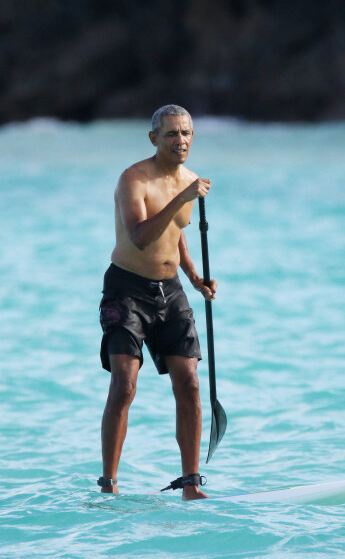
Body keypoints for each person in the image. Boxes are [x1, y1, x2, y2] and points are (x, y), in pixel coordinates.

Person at [98, 104, 217, 501]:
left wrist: (194, 277)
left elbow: (178, 232)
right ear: (154, 139)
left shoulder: (189, 180)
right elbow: (142, 237)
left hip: (170, 291)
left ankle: (190, 484)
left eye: (186, 133)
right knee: (125, 385)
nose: (180, 140)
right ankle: (109, 485)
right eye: (171, 134)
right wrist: (184, 194)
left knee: (190, 383)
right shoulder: (134, 179)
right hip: (126, 290)